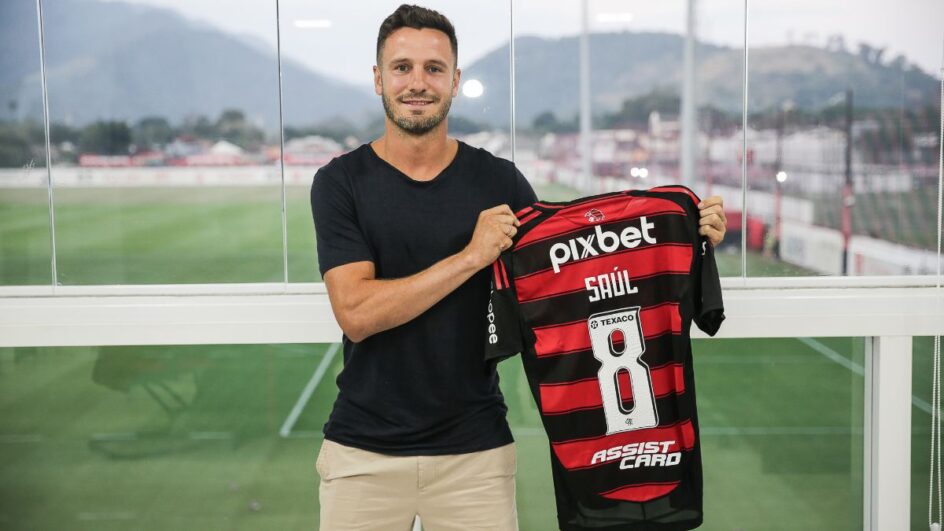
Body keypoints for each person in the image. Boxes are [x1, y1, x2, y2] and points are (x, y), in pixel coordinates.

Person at [309, 5, 728, 530]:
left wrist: (684, 228)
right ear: (378, 79)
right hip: (361, 454)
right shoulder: (340, 182)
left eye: (434, 69)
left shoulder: (498, 181)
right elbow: (356, 312)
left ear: (455, 81)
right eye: (402, 67)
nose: (418, 82)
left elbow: (579, 254)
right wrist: (471, 257)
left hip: (475, 455)